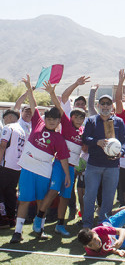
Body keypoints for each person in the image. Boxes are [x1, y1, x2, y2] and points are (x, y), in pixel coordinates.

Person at [10, 75, 71, 243]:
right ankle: (18, 232)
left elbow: (64, 158)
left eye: (54, 119)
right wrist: (29, 87)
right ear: (45, 119)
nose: (51, 122)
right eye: (49, 119)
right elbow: (32, 103)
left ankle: (40, 229)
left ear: (59, 121)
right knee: (23, 200)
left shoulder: (59, 138)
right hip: (28, 168)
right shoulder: (37, 122)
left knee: (40, 201)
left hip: (44, 171)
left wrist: (66, 175)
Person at [32, 82, 85, 237]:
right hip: (59, 165)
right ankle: (39, 217)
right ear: (72, 117)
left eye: (82, 117)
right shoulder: (67, 124)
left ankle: (60, 225)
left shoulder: (82, 131)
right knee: (54, 190)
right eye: (77, 116)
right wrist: (52, 93)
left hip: (72, 168)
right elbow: (59, 106)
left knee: (65, 197)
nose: (80, 119)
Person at [82, 93, 125, 229]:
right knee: (90, 195)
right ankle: (87, 223)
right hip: (94, 165)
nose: (105, 106)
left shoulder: (118, 122)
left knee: (109, 196)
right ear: (98, 105)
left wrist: (121, 152)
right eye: (102, 103)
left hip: (112, 166)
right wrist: (98, 142)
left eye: (108, 103)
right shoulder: (91, 121)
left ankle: (104, 224)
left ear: (112, 106)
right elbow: (85, 138)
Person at [0, 109, 26, 229]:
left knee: (1, 191)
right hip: (16, 167)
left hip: (5, 165)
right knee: (10, 192)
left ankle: (2, 219)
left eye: (4, 118)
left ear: (9, 117)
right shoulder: (22, 130)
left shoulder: (8, 127)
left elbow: (3, 145)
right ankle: (11, 218)